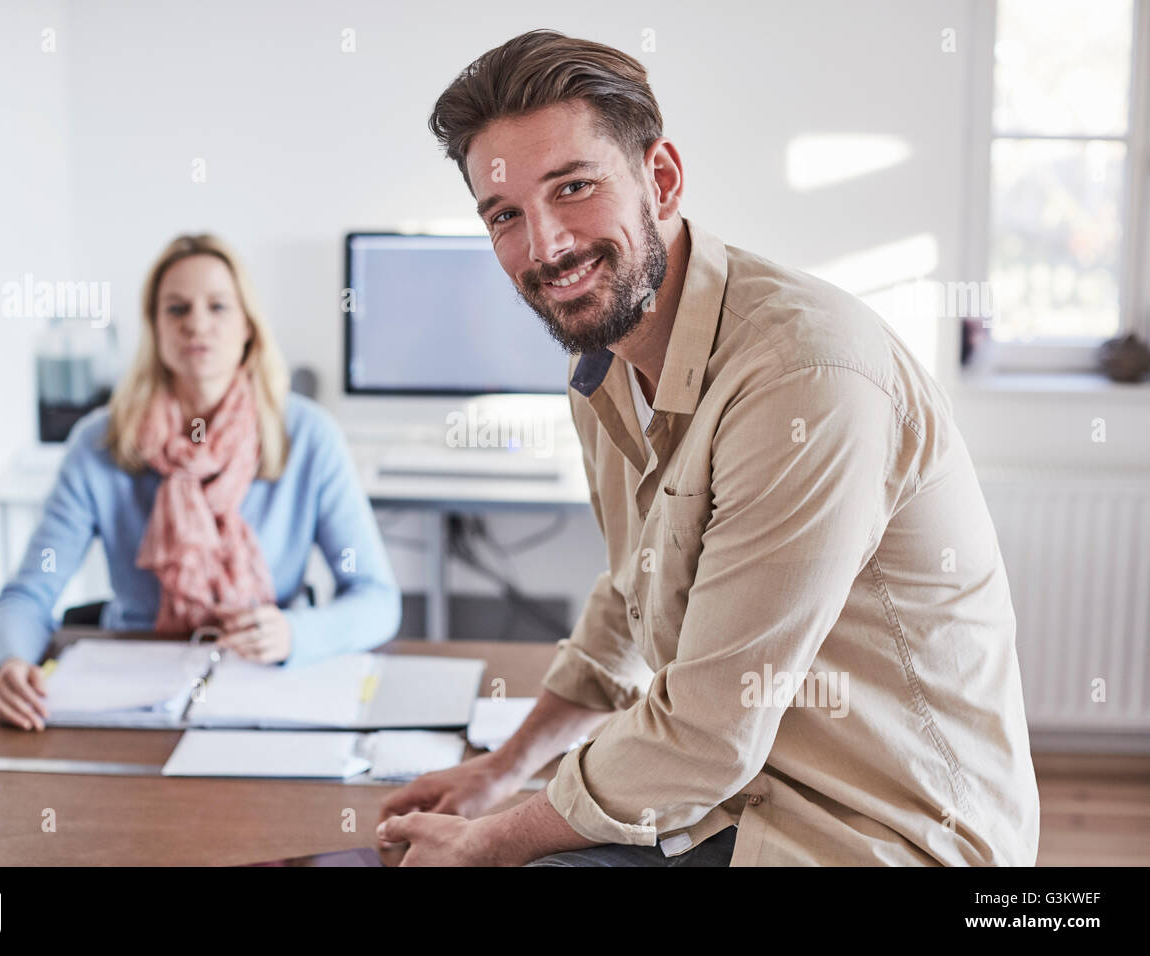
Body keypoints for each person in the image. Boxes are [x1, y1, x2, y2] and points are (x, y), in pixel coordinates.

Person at [377, 29, 1039, 866]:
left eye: (574, 187)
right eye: (506, 215)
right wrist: (497, 773)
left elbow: (704, 734)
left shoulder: (804, 375)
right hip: (727, 802)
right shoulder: (605, 360)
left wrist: (491, 841)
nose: (544, 248)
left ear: (661, 179)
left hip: (872, 836)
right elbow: (630, 599)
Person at [0, 234, 402, 730]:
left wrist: (296, 634)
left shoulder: (308, 435)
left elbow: (376, 598)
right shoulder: (98, 443)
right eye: (176, 309)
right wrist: (11, 661)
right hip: (134, 693)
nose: (196, 323)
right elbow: (29, 594)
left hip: (266, 686)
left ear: (248, 328)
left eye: (218, 306)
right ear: (154, 327)